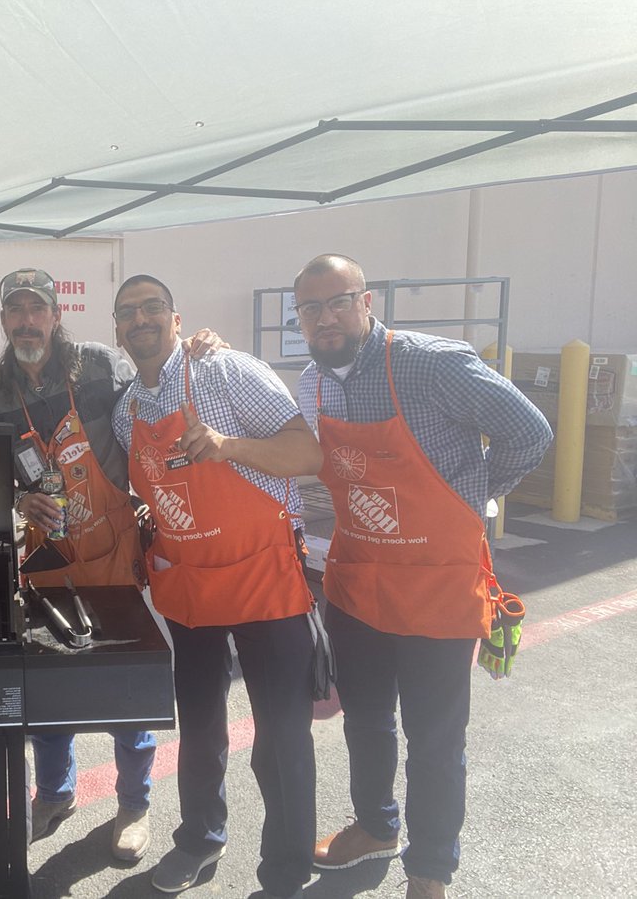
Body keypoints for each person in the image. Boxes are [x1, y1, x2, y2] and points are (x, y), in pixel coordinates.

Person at [293, 254, 552, 899]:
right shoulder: (315, 383)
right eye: (311, 309)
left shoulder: (430, 363)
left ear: (367, 301)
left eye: (337, 302)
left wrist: (469, 497)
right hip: (357, 584)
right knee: (366, 720)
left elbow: (529, 431)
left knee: (435, 739)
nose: (325, 319)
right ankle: (377, 827)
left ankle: (431, 867)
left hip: (436, 585)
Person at [111, 274, 322, 898]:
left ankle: (286, 869)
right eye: (128, 313)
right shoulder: (127, 410)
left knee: (282, 736)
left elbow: (307, 454)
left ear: (177, 319)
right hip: (190, 588)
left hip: (264, 580)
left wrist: (228, 445)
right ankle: (200, 840)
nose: (141, 320)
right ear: (118, 331)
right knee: (199, 730)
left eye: (153, 308)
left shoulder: (227, 372)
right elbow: (148, 490)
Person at [0, 268, 157, 861]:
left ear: (56, 314)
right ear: (3, 320)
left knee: (126, 685)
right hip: (46, 554)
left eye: (37, 309)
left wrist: (204, 355)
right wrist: (14, 497)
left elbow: (155, 410)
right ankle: (54, 794)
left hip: (113, 549)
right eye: (15, 311)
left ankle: (134, 803)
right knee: (49, 689)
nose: (27, 320)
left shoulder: (105, 367)